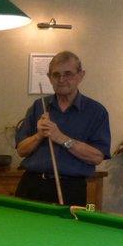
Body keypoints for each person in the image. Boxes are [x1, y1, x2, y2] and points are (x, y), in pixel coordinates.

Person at [14, 51, 111, 206]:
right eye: (56, 75)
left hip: (70, 188)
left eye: (68, 74)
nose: (61, 79)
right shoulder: (39, 106)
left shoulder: (96, 112)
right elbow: (21, 150)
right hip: (31, 184)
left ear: (80, 75)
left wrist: (61, 138)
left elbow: (97, 157)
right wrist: (39, 135)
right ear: (49, 77)